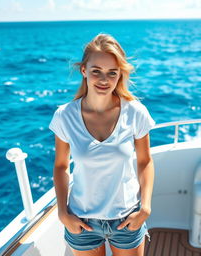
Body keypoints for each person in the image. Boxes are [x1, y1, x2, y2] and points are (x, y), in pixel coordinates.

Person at [49, 33, 155, 256]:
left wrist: (145, 207)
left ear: (120, 75)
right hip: (81, 220)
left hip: (126, 218)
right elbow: (60, 166)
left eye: (112, 73)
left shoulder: (135, 112)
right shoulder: (64, 116)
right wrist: (62, 213)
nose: (104, 80)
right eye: (96, 71)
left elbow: (145, 161)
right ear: (84, 71)